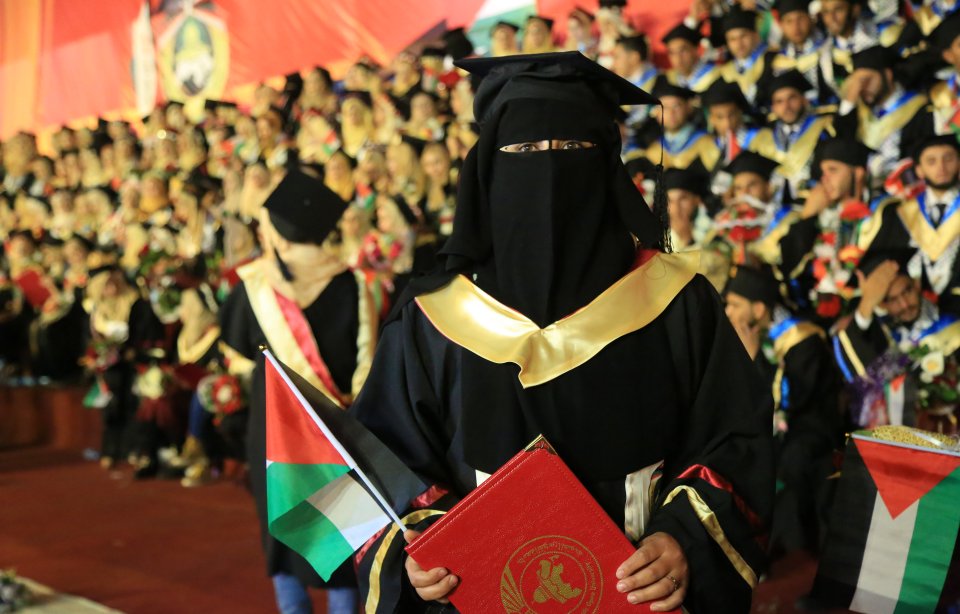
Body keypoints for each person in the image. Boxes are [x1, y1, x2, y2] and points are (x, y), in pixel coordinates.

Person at [350, 52, 773, 613]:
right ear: (489, 170)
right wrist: (418, 546)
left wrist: (684, 540)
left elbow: (736, 441)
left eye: (573, 147)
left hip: (641, 596)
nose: (549, 174)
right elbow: (382, 465)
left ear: (606, 165)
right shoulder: (433, 319)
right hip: (477, 595)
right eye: (524, 150)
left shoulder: (675, 301)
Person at [219, 168, 378, 614]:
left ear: (277, 233)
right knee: (342, 532)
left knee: (284, 527)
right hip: (340, 430)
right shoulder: (356, 284)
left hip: (277, 434)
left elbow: (237, 352)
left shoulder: (254, 288)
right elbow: (368, 358)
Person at [724, 265, 841, 556]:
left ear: (759, 308)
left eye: (735, 305)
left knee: (788, 459)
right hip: (775, 425)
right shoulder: (751, 334)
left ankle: (787, 549)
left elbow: (792, 400)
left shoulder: (804, 340)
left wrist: (755, 360)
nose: (728, 312)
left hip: (811, 428)